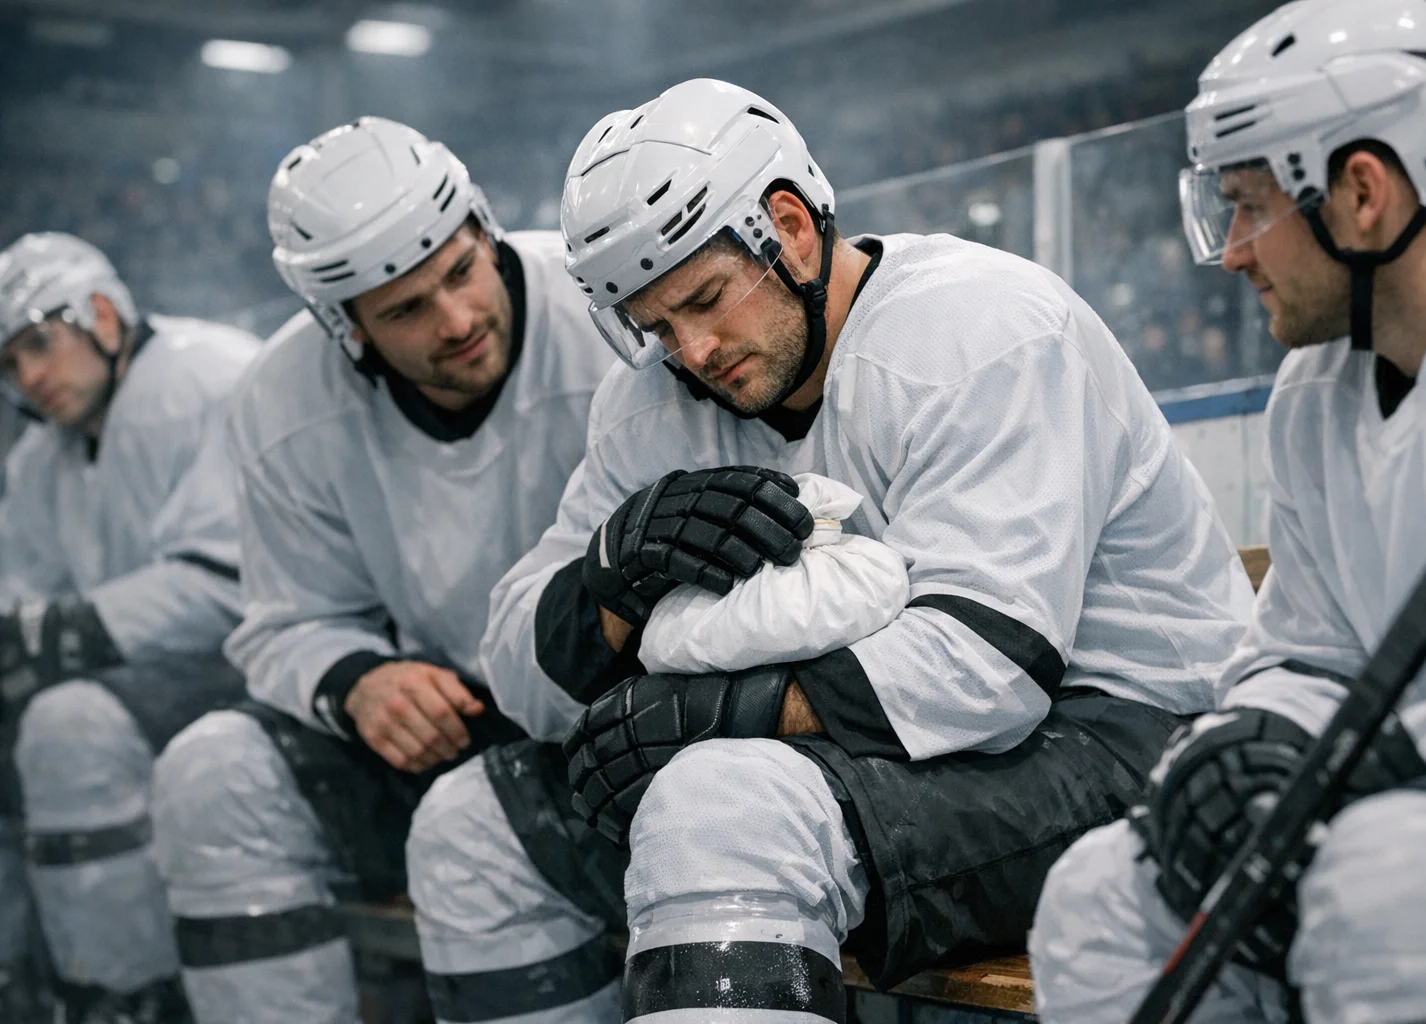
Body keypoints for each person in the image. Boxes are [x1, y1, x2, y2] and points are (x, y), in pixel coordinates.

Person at [467, 77, 1254, 1022]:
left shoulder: (981, 327)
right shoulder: (651, 401)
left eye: (707, 299)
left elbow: (988, 669)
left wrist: (713, 713)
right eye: (657, 326)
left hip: (1127, 733)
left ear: (790, 228)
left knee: (723, 804)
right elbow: (516, 669)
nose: (693, 350)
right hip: (883, 751)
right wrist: (612, 568)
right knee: (480, 822)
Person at [1027, 1, 1426, 1021]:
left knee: (1388, 877)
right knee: (1100, 896)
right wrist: (1254, 742)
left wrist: (1372, 763)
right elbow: (1308, 647)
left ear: (1362, 192)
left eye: (1252, 206)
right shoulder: (1315, 388)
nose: (1233, 252)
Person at [148, 118, 617, 1024]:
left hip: (624, 716)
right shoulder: (283, 400)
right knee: (211, 774)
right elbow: (287, 620)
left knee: (472, 827)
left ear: (482, 228)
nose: (458, 321)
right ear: (342, 323)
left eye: (460, 270)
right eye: (405, 310)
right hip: (457, 722)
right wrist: (359, 682)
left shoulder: (612, 304)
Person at [0, 232, 258, 1022]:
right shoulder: (40, 456)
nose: (28, 377)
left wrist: (49, 635)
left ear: (102, 316)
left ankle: (125, 994)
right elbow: (25, 598)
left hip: (251, 658)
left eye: (39, 344)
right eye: (10, 363)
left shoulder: (208, 375)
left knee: (68, 726)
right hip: (139, 669)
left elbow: (229, 585)